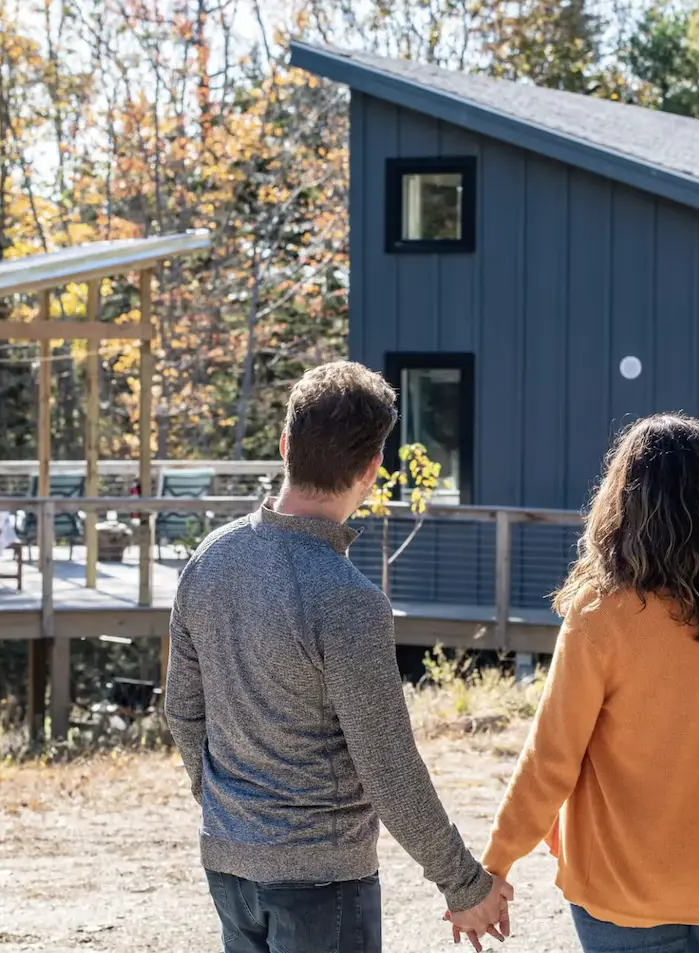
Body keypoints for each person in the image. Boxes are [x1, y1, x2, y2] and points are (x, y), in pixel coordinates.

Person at [164, 361, 512, 953]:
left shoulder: (209, 561)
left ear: (284, 446)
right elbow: (386, 764)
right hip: (320, 878)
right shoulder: (348, 599)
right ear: (372, 470)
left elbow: (181, 711)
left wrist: (227, 808)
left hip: (227, 863)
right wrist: (462, 883)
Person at [481, 413, 699, 953]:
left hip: (621, 883)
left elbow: (552, 756)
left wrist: (495, 862)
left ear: (622, 504)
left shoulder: (602, 615)